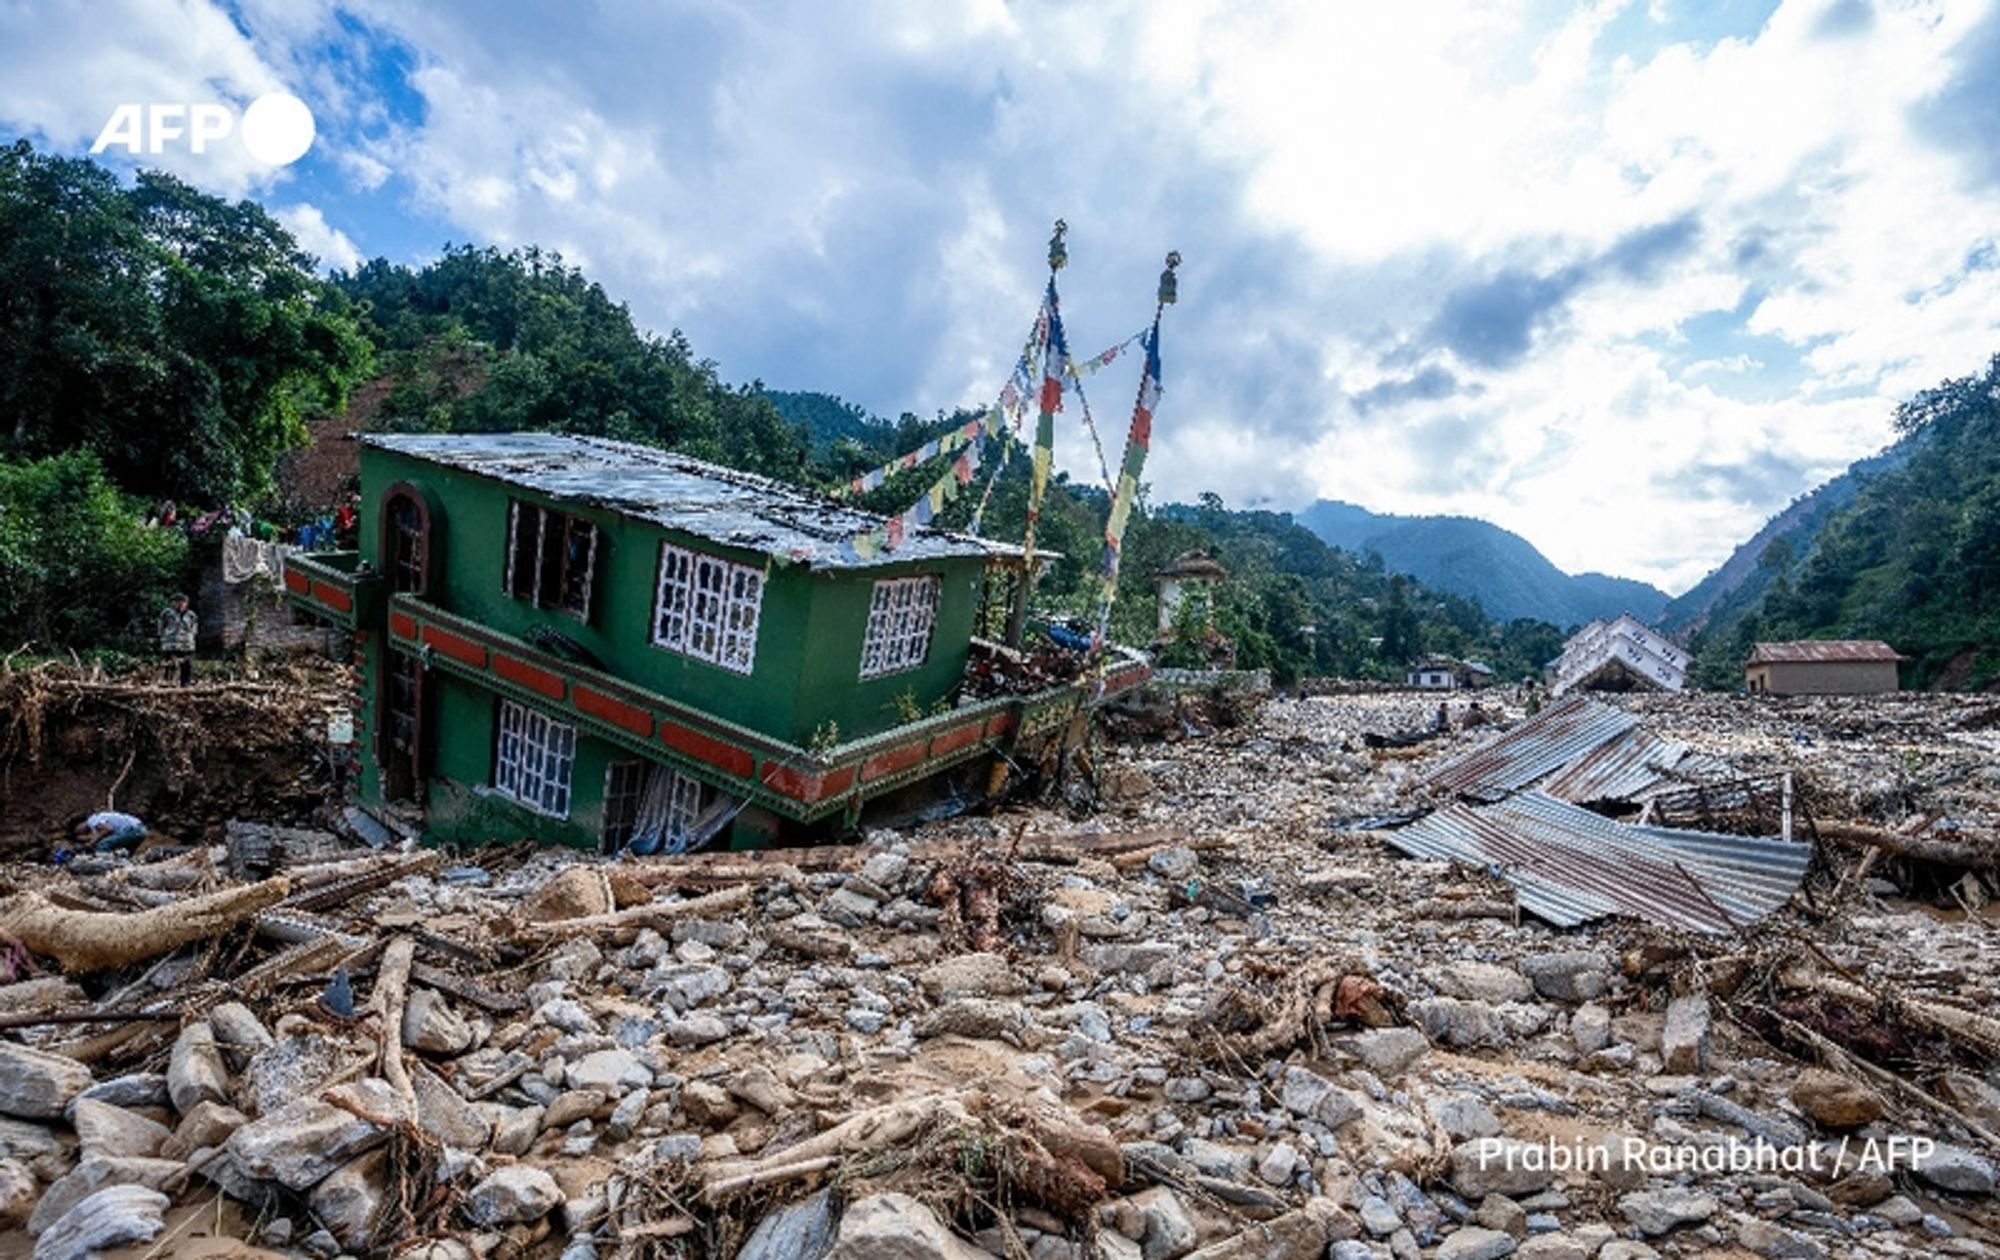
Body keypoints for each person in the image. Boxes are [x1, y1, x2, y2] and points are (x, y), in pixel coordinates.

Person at [159, 593, 197, 686]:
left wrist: (190, 639)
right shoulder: (166, 614)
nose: (180, 604)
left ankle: (185, 685)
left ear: (186, 603)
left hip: (186, 645)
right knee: (169, 666)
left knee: (186, 666)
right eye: (177, 602)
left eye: (182, 602)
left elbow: (194, 629)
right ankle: (168, 683)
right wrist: (163, 639)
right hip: (170, 645)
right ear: (173, 603)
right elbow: (161, 628)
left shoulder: (191, 615)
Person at [71, 810, 149, 854]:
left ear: (80, 824)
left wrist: (90, 844)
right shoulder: (97, 822)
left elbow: (107, 829)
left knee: (102, 846)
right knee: (125, 854)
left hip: (133, 830)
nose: (80, 833)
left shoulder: (92, 820)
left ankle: (102, 868)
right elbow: (101, 835)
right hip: (141, 830)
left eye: (77, 830)